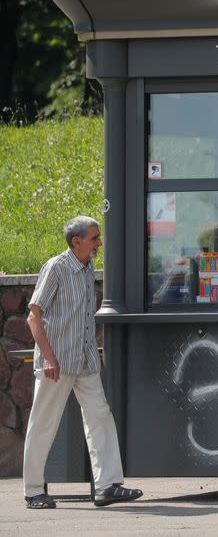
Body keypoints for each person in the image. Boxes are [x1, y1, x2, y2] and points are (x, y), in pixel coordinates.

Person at [23, 216, 143, 509]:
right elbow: (33, 316)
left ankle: (107, 487)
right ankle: (33, 491)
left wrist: (95, 355)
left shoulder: (87, 269)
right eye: (94, 238)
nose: (99, 243)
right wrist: (49, 358)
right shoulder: (57, 268)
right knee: (44, 423)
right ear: (76, 242)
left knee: (100, 416)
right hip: (58, 362)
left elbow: (85, 318)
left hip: (85, 361)